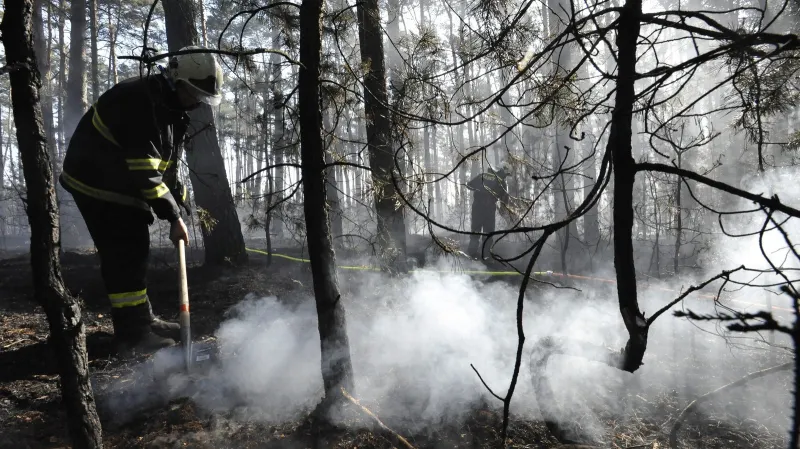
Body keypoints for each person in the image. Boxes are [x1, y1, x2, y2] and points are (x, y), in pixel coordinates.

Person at [59, 46, 225, 355]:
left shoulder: (170, 108)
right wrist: (173, 217)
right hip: (97, 180)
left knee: (133, 250)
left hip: (119, 180)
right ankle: (133, 336)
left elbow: (164, 164)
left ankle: (144, 321)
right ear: (177, 79)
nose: (196, 102)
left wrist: (179, 198)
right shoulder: (140, 101)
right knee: (125, 251)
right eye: (193, 93)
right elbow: (144, 168)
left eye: (202, 97)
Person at [466, 163, 511, 259]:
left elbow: (469, 185)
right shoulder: (501, 181)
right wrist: (503, 211)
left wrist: (480, 190)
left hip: (477, 207)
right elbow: (505, 199)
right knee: (488, 233)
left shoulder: (482, 175)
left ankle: (471, 256)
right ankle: (486, 256)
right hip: (489, 209)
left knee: (475, 231)